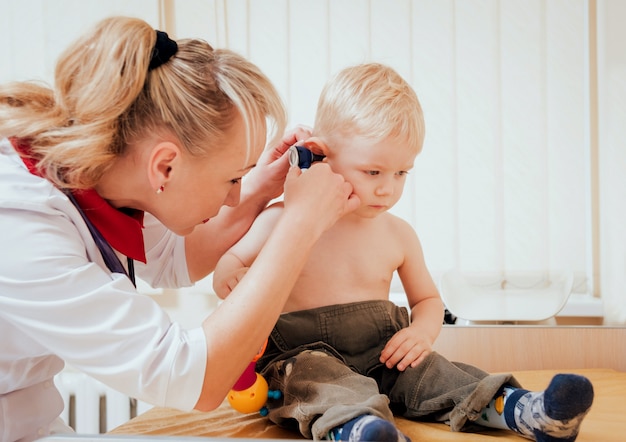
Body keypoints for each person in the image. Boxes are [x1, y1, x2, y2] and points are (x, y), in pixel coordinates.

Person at [0, 16, 360, 442]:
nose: (233, 197)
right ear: (164, 166)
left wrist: (263, 186)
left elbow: (176, 257)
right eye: (231, 179)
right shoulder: (21, 223)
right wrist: (300, 225)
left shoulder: (104, 174)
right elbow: (194, 376)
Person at [212, 63, 594, 442]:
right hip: (303, 355)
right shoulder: (284, 219)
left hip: (383, 353)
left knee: (439, 375)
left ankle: (528, 411)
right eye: (373, 172)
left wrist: (421, 333)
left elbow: (427, 299)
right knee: (320, 384)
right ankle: (362, 430)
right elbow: (227, 265)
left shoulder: (398, 234)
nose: (387, 189)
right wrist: (232, 278)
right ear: (319, 154)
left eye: (401, 173)